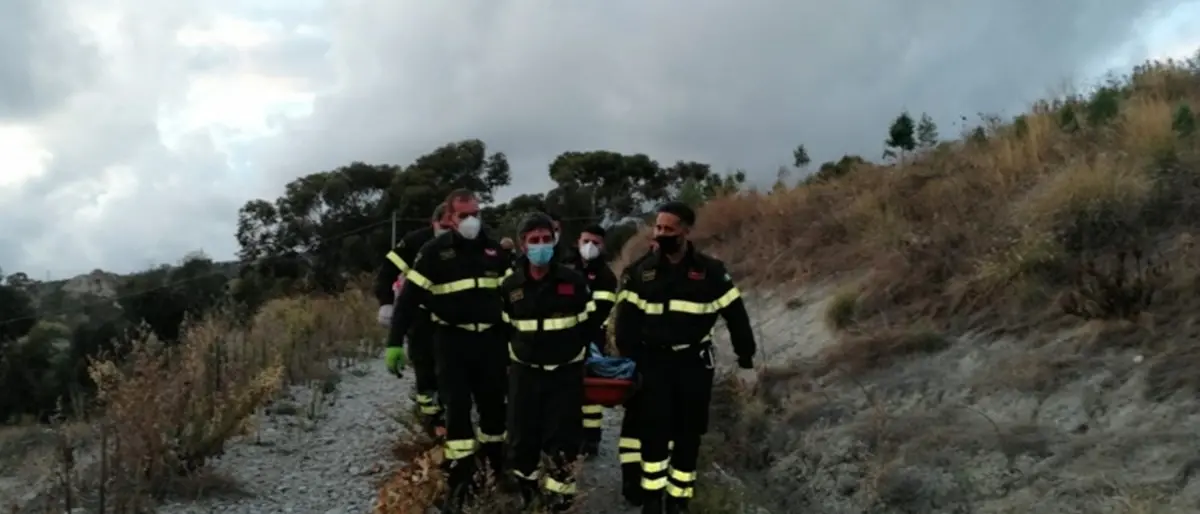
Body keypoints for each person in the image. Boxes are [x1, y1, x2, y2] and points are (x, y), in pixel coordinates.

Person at [615, 201, 757, 514]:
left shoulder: (710, 273)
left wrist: (745, 361)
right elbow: (624, 329)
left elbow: (737, 318)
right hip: (653, 365)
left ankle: (679, 501)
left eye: (669, 228)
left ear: (686, 231)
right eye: (658, 227)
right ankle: (652, 501)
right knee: (653, 435)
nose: (661, 233)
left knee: (688, 436)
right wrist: (632, 367)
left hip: (694, 364)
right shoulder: (640, 273)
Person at [388, 189, 511, 510]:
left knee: (494, 412)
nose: (471, 220)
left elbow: (517, 297)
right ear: (450, 218)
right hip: (452, 344)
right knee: (457, 415)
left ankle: (495, 472)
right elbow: (408, 300)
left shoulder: (495, 251)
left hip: (491, 342)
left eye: (475, 213)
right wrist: (393, 342)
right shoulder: (434, 252)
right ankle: (460, 483)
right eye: (463, 215)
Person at [499, 213, 597, 511]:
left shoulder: (574, 281)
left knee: (564, 442)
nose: (541, 245)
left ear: (554, 241)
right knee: (521, 441)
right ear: (522, 245)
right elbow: (503, 329)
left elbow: (590, 325)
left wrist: (577, 355)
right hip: (524, 375)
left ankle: (560, 500)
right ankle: (528, 495)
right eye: (534, 240)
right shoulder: (510, 286)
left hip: (565, 376)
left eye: (546, 239)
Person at [378, 205, 448, 436]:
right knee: (424, 364)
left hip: (453, 316)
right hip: (420, 312)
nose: (448, 232)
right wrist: (386, 302)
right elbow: (387, 271)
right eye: (444, 227)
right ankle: (431, 418)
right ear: (434, 223)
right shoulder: (415, 242)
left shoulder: (468, 243)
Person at [563, 224, 618, 457]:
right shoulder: (566, 267)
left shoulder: (606, 276)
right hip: (565, 336)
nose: (590, 246)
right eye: (586, 241)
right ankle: (571, 435)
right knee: (567, 388)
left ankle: (592, 438)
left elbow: (599, 310)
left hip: (592, 337)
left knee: (590, 391)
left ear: (602, 246)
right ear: (578, 241)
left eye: (595, 242)